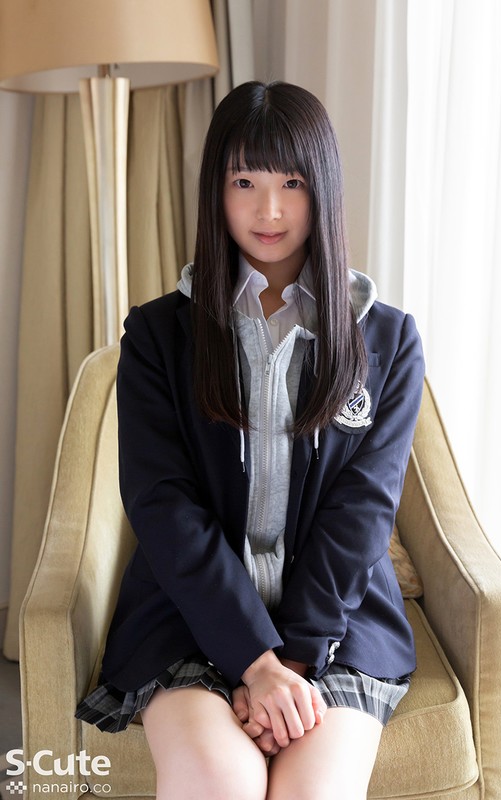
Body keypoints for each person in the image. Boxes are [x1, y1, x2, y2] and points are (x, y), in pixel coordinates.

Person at [76, 80, 425, 800]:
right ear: (217, 189)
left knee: (312, 791)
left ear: (322, 189)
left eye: (292, 183)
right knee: (217, 781)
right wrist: (250, 658)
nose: (269, 210)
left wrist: (288, 664)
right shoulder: (158, 335)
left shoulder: (388, 339)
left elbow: (363, 511)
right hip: (188, 615)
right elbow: (162, 503)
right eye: (244, 182)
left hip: (337, 626)